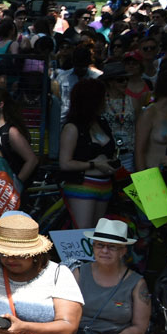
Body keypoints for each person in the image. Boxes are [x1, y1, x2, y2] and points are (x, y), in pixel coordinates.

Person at [59, 78, 117, 228]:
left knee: (97, 234)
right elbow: (65, 163)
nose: (106, 100)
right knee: (83, 235)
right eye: (103, 97)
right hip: (83, 185)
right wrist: (94, 165)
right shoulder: (72, 127)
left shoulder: (102, 123)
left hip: (105, 185)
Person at [0, 87, 39, 184]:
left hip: (4, 191)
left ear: (0, 104)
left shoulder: (11, 132)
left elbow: (32, 160)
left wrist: (15, 185)